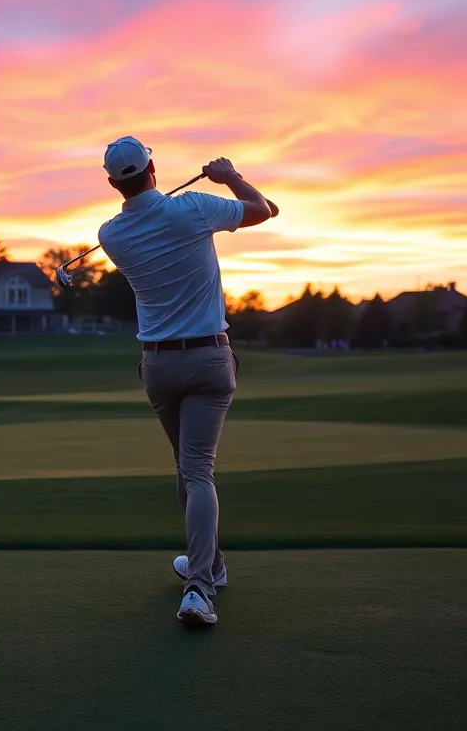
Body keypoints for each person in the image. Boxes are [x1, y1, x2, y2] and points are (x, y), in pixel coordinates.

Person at [96, 137, 274, 627]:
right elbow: (264, 209)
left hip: (158, 366)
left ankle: (210, 566)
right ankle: (199, 586)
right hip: (208, 358)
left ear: (114, 182)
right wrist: (229, 175)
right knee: (197, 471)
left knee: (187, 467)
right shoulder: (192, 208)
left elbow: (143, 217)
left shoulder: (110, 235)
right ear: (153, 167)